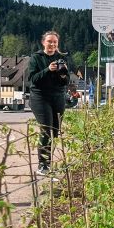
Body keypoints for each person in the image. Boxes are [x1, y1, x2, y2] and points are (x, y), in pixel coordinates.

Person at [27, 31, 69, 177]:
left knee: (55, 131)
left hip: (58, 97)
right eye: (49, 41)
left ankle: (50, 163)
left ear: (57, 44)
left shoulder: (61, 58)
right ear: (43, 42)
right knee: (46, 128)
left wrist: (63, 74)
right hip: (40, 97)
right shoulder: (36, 58)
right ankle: (42, 165)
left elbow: (65, 81)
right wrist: (47, 70)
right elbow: (33, 79)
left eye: (55, 42)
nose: (52, 44)